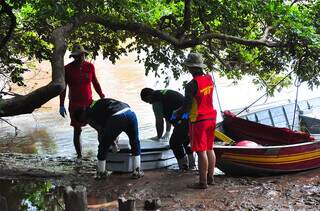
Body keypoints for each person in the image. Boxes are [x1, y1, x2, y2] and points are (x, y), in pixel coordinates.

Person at [73, 98, 144, 179]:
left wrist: (112, 144)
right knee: (135, 142)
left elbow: (102, 132)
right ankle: (137, 171)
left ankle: (101, 173)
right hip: (130, 113)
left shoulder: (90, 115)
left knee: (103, 145)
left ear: (82, 115)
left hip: (117, 117)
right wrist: (113, 142)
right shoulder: (95, 105)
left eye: (82, 121)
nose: (83, 123)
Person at [175, 52, 217, 189]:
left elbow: (186, 107)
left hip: (199, 120)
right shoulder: (210, 79)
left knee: (200, 151)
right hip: (211, 117)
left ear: (191, 68)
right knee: (210, 148)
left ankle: (202, 182)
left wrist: (177, 113)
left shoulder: (191, 85)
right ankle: (211, 178)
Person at [59, 45, 105, 159]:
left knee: (100, 126)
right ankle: (79, 156)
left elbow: (95, 82)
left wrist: (102, 96)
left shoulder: (90, 66)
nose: (81, 58)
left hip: (90, 102)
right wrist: (61, 104)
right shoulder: (67, 69)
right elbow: (63, 88)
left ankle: (102, 153)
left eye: (82, 55)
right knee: (77, 130)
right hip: (75, 104)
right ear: (73, 57)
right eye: (78, 56)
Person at [140, 88, 196, 170]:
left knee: (174, 143)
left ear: (148, 97)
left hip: (184, 117)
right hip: (191, 116)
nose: (149, 103)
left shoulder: (156, 100)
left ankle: (184, 166)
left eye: (148, 101)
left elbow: (159, 121)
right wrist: (167, 132)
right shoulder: (163, 94)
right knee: (185, 140)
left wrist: (158, 136)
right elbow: (168, 116)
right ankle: (192, 165)